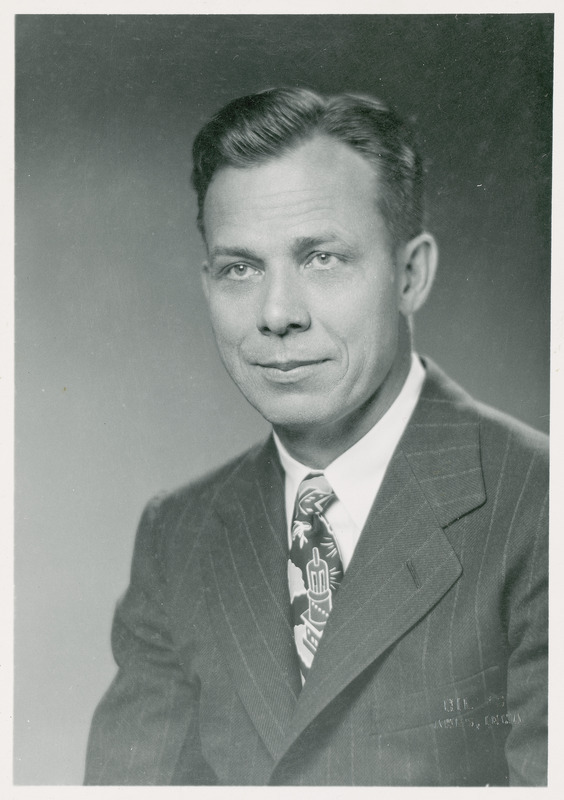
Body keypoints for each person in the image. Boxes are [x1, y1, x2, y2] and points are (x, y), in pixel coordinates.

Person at [84, 87, 548, 786]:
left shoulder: (542, 505)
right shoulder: (177, 535)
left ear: (411, 274)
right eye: (240, 268)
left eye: (322, 258)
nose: (276, 314)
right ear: (208, 283)